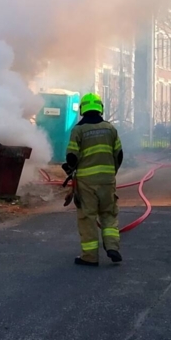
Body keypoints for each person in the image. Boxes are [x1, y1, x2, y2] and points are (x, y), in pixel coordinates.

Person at [63, 93, 123, 267]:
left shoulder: (78, 130)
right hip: (107, 181)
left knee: (87, 217)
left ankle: (90, 256)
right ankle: (113, 247)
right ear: (100, 108)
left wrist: (70, 168)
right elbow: (119, 154)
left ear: (82, 109)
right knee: (109, 215)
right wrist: (111, 173)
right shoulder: (110, 129)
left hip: (86, 183)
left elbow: (72, 157)